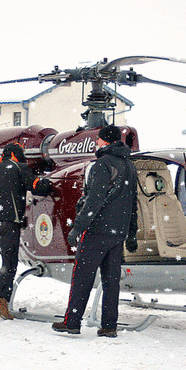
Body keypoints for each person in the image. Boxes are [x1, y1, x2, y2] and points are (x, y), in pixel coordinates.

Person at [52, 125, 138, 338]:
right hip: (118, 233)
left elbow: (94, 200)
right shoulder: (130, 166)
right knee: (111, 281)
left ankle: (72, 322)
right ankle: (109, 325)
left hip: (98, 230)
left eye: (99, 140)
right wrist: (132, 232)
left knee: (82, 277)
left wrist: (77, 227)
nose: (96, 143)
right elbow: (132, 203)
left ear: (106, 142)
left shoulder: (102, 165)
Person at [0, 143, 51, 319]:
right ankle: (1, 300)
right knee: (8, 263)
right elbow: (36, 186)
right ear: (17, 156)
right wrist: (47, 183)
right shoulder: (20, 168)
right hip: (9, 221)